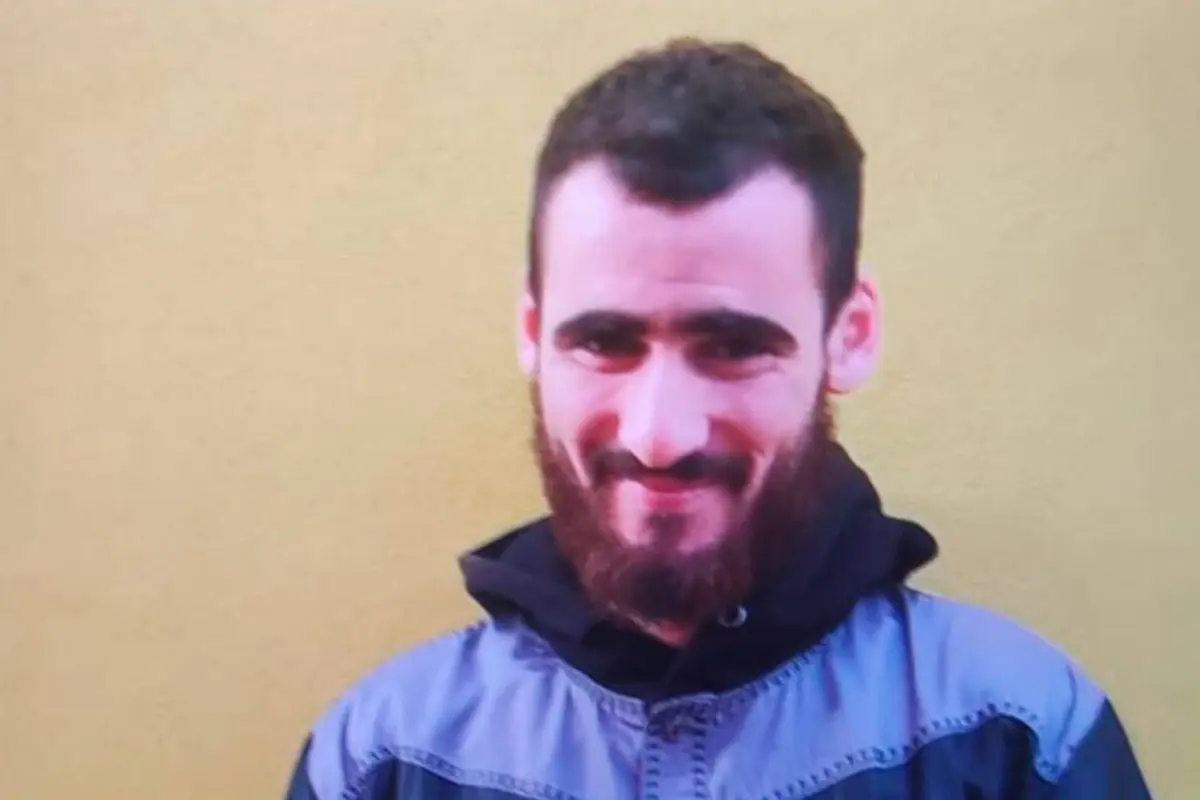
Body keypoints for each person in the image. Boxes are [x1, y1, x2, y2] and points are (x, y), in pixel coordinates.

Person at [284, 38, 1152, 799]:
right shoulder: (381, 762)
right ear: (530, 334)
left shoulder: (1023, 740)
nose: (660, 435)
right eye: (604, 342)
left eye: (735, 346)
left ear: (847, 337)